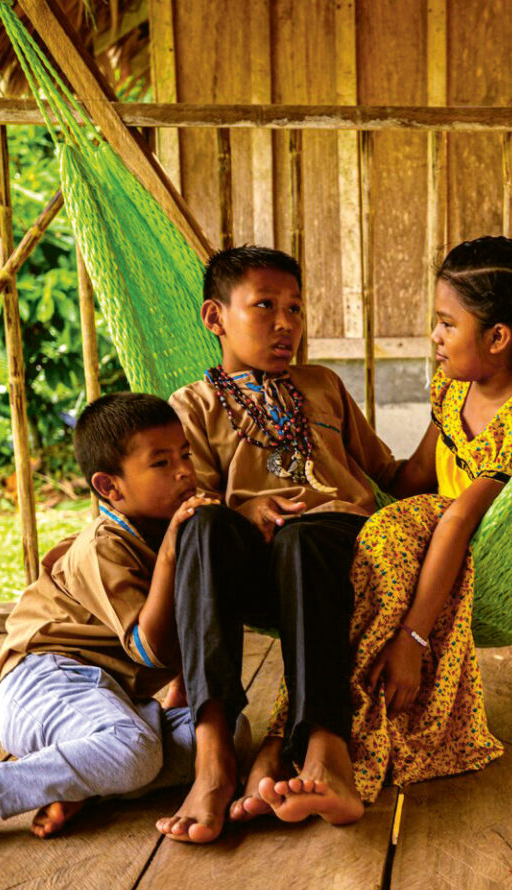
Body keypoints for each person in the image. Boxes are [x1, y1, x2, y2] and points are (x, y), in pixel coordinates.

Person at [249, 236, 512, 819]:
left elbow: (459, 518)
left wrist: (413, 639)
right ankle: (291, 739)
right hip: (426, 529)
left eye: (447, 324)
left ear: (498, 338)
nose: (434, 337)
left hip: (474, 547)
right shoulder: (454, 388)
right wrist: (332, 450)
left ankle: (339, 761)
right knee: (339, 571)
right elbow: (412, 477)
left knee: (385, 539)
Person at [0, 393, 218, 872]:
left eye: (185, 455)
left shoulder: (168, 526)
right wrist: (171, 554)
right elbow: (151, 650)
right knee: (135, 750)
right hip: (43, 682)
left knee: (220, 734)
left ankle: (81, 783)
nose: (184, 472)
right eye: (161, 462)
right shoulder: (104, 547)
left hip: (111, 702)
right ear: (110, 487)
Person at [158, 245, 400, 843]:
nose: (286, 323)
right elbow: (193, 500)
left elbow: (389, 472)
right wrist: (243, 508)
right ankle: (213, 757)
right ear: (215, 317)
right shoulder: (192, 406)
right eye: (265, 306)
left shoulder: (322, 385)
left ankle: (326, 749)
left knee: (304, 536)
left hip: (336, 552)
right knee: (202, 526)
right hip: (253, 567)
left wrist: (467, 426)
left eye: (295, 308)